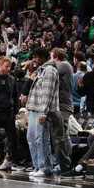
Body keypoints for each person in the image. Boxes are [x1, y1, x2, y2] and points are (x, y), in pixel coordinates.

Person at [25, 48, 60, 177]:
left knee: (41, 139)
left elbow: (47, 93)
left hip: (41, 110)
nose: (34, 60)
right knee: (31, 138)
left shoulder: (50, 70)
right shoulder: (41, 70)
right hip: (34, 109)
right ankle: (37, 166)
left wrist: (44, 112)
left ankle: (44, 167)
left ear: (42, 57)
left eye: (36, 57)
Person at [0, 57, 18, 171]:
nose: (9, 69)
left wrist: (15, 111)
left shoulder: (12, 79)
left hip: (8, 112)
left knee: (12, 138)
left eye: (10, 66)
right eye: (6, 66)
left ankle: (9, 160)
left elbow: (15, 96)